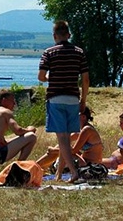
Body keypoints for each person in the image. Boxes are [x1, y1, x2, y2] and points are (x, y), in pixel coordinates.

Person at [38, 20, 90, 183]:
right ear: (68, 35)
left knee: (62, 139)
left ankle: (74, 172)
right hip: (73, 99)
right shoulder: (79, 52)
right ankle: (59, 175)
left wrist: (49, 78)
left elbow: (41, 76)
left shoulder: (49, 52)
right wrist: (83, 100)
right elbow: (86, 79)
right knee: (66, 140)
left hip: (56, 98)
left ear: (54, 36)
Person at [0, 89, 37, 183]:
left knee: (10, 140)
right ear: (4, 100)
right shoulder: (6, 112)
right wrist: (30, 129)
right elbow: (18, 131)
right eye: (12, 101)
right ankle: (17, 168)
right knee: (31, 136)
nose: (14, 104)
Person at [36, 106, 103, 172]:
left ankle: (37, 165)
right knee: (61, 146)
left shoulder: (87, 130)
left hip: (90, 165)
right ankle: (38, 165)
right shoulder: (81, 130)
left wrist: (54, 150)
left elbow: (74, 151)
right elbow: (64, 141)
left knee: (61, 149)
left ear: (83, 117)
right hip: (85, 161)